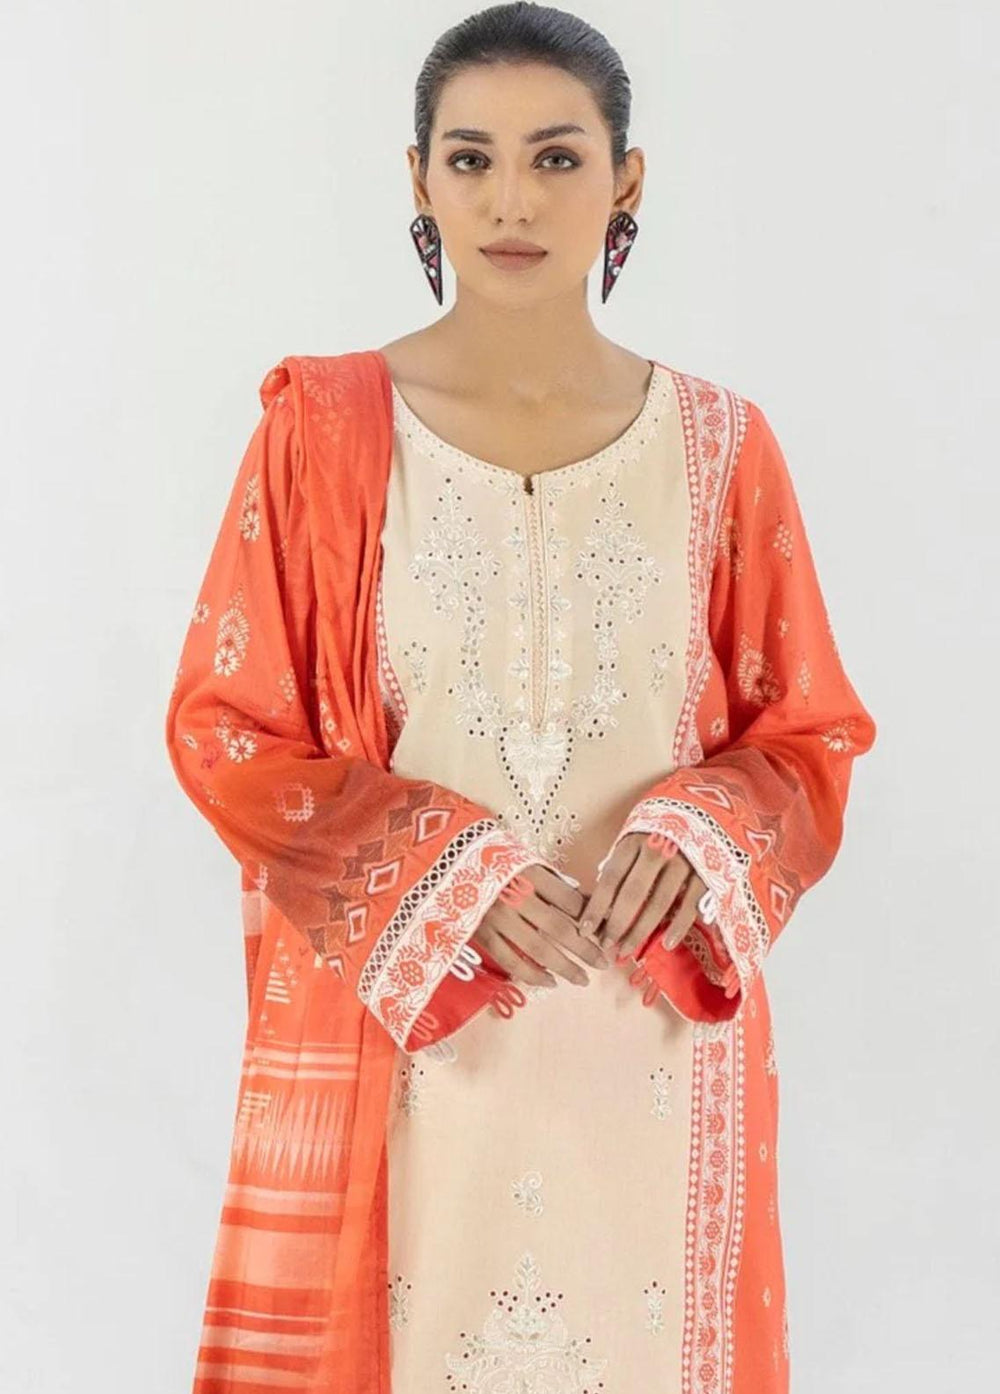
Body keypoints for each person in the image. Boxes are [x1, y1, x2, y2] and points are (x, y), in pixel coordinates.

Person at [164, 4, 878, 1391]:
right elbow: (226, 727)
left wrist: (705, 833)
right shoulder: (321, 436)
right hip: (413, 1050)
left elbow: (807, 737)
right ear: (419, 178)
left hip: (651, 1052)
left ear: (626, 179)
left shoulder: (723, 447)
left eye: (556, 158)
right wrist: (437, 870)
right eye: (471, 158)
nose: (511, 200)